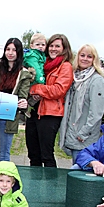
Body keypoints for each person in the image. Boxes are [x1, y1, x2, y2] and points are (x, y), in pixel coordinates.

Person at [26, 34, 74, 167]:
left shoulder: (65, 66)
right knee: (33, 154)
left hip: (50, 114)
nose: (53, 49)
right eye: (51, 45)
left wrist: (36, 89)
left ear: (64, 49)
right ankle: (35, 185)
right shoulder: (43, 64)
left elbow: (58, 90)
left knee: (46, 154)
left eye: (57, 46)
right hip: (34, 111)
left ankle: (51, 186)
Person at [59, 44, 104, 164]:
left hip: (84, 137)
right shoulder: (74, 78)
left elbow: (96, 112)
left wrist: (83, 133)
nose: (85, 59)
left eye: (89, 56)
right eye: (82, 55)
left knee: (81, 171)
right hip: (72, 133)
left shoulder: (97, 81)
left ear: (94, 60)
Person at [23, 33, 46, 118]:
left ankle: (28, 108)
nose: (40, 46)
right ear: (32, 46)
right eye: (38, 44)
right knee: (33, 97)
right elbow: (37, 69)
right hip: (34, 80)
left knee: (36, 97)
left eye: (43, 45)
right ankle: (26, 108)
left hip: (36, 81)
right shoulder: (32, 56)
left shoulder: (41, 56)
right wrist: (42, 81)